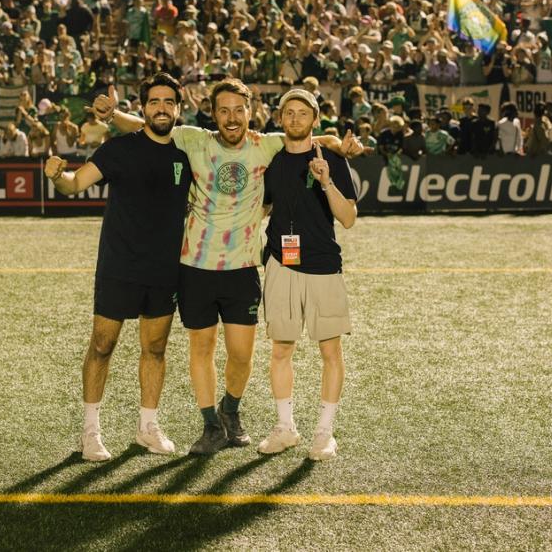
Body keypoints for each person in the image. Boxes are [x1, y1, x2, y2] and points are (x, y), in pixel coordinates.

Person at [97, 78, 361, 455]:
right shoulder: (193, 138)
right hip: (196, 265)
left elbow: (304, 137)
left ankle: (231, 410)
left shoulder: (265, 144)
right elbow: (145, 126)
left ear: (250, 113)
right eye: (224, 110)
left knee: (241, 354)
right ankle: (210, 426)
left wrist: (337, 143)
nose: (232, 117)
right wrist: (113, 116)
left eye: (239, 110)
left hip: (243, 267)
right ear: (213, 113)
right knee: (201, 348)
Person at [45, 73, 191, 461]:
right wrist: (58, 176)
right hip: (119, 264)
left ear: (179, 108)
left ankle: (148, 427)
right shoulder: (119, 149)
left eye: (168, 102)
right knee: (102, 345)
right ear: (143, 107)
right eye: (154, 101)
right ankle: (90, 432)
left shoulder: (188, 152)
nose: (162, 108)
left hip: (164, 268)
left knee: (155, 348)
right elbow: (75, 184)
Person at [257, 89, 357, 461]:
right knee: (281, 349)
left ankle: (324, 433)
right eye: (289, 113)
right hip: (281, 264)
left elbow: (347, 218)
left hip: (323, 266)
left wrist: (327, 180)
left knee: (330, 350)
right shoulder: (271, 160)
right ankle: (285, 429)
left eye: (303, 113)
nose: (295, 119)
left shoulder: (331, 158)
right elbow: (264, 207)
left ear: (316, 119)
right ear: (280, 118)